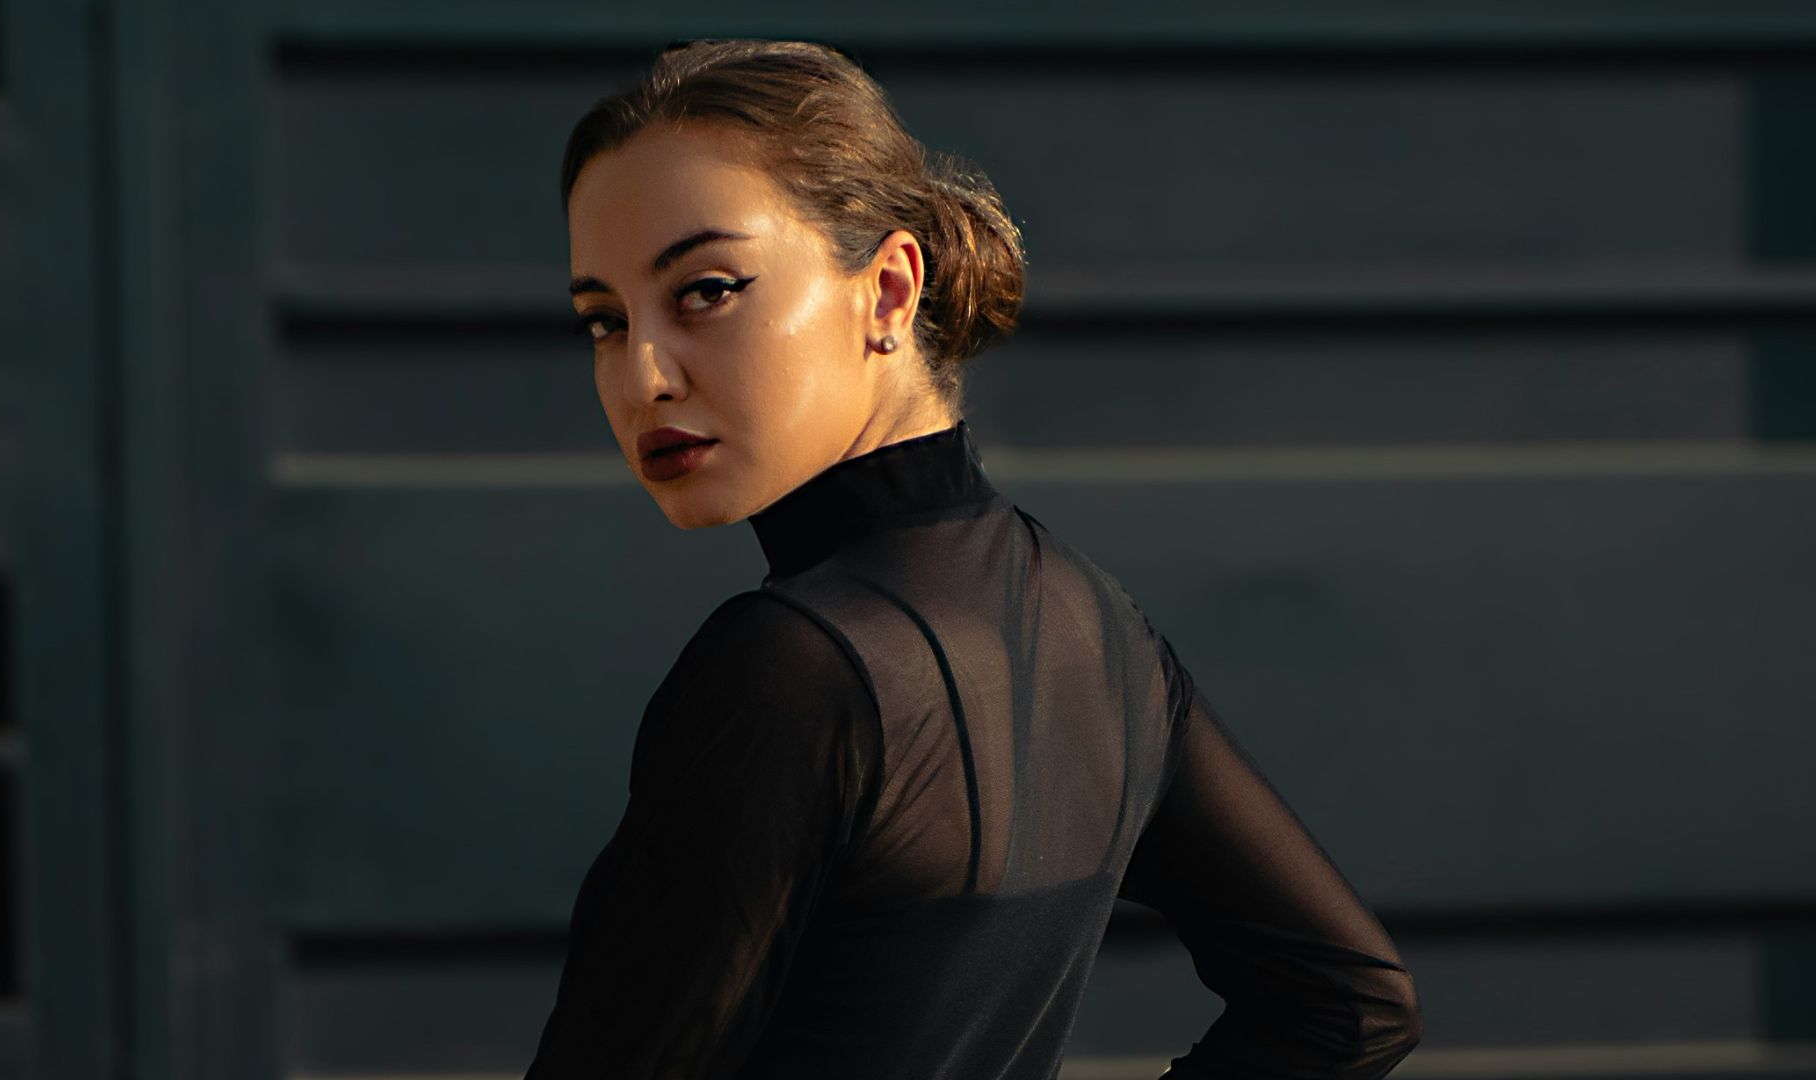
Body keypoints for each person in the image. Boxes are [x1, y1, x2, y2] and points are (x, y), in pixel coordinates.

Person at [526, 38, 1422, 1080]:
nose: (641, 377)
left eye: (707, 290)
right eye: (603, 320)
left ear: (891, 293)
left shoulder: (791, 670)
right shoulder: (1098, 626)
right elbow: (1349, 1008)